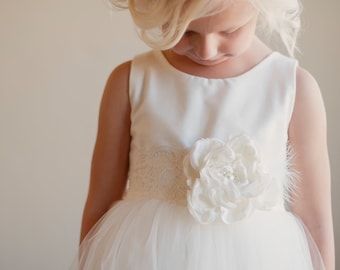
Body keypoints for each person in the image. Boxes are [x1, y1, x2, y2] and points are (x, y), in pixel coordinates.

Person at [71, 0, 335, 269]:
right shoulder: (130, 81)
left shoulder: (293, 87)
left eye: (230, 31)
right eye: (185, 32)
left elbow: (315, 219)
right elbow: (100, 203)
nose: (207, 51)